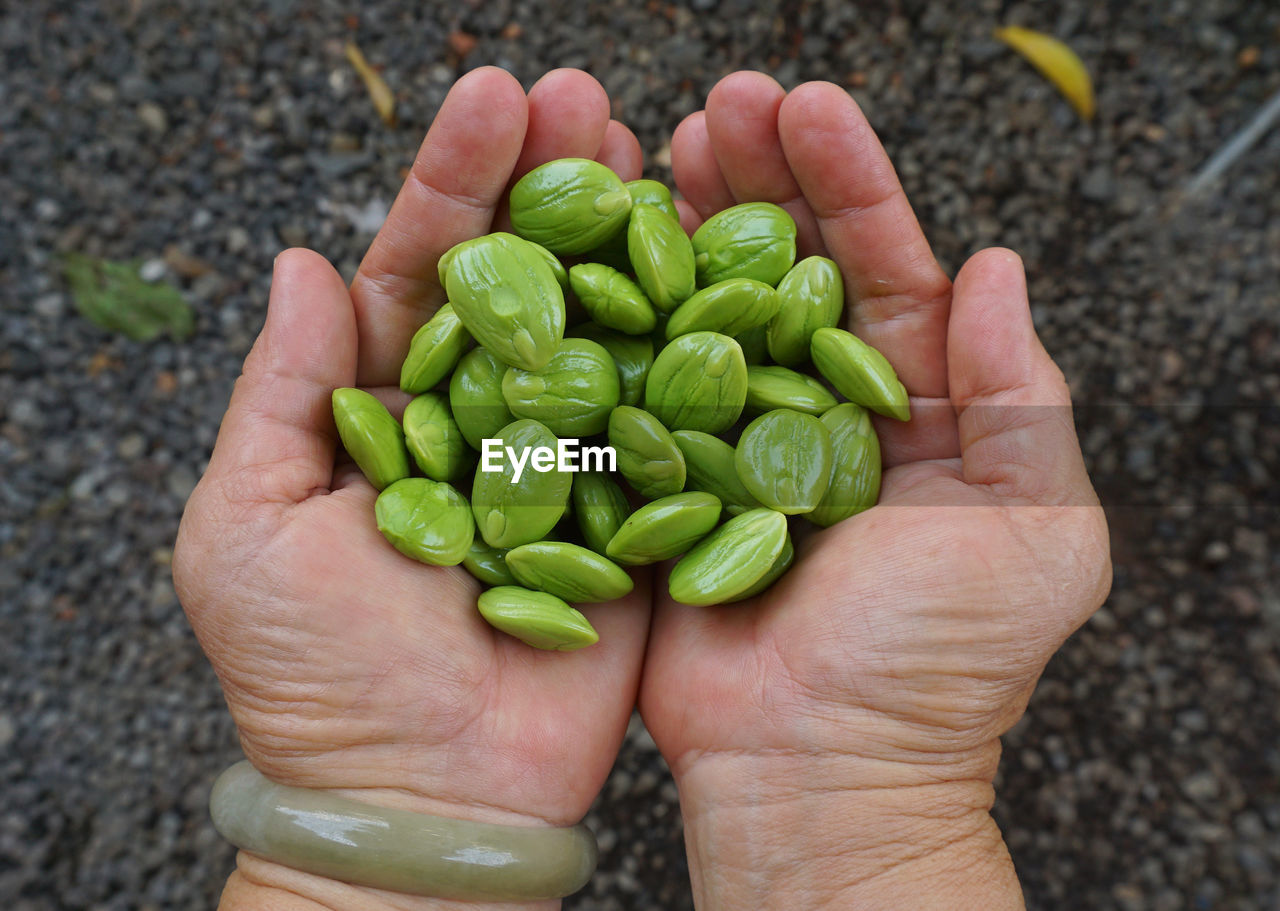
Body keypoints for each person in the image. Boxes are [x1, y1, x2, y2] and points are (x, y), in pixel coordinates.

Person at [174, 67, 1112, 910]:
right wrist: (869, 810)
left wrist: (351, 844)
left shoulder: (677, 415)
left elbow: (611, 450)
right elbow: (576, 451)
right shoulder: (534, 419)